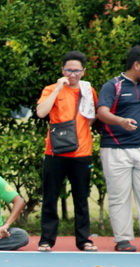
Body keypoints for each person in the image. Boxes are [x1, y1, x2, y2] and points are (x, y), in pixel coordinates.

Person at [96, 45, 140, 252]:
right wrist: (121, 121)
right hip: (115, 149)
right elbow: (101, 112)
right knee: (119, 197)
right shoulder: (113, 86)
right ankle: (123, 240)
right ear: (137, 65)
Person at [36, 51, 98, 252]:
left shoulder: (88, 90)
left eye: (77, 70)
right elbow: (41, 112)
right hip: (54, 152)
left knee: (81, 198)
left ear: (83, 71)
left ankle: (84, 240)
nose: (73, 74)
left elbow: (92, 116)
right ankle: (46, 240)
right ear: (62, 70)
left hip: (82, 153)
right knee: (50, 197)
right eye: (69, 70)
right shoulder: (51, 89)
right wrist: (58, 88)